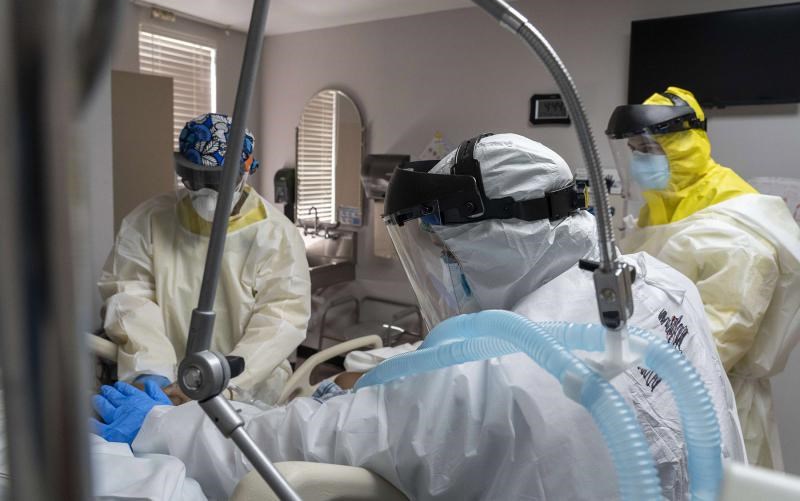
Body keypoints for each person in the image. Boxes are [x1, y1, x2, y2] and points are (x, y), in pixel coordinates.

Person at [93, 134, 744, 500]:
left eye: (446, 254)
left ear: (489, 242)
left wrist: (163, 427)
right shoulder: (657, 285)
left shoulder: (485, 376)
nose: (444, 272)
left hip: (223, 402)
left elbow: (293, 443)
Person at [606, 86, 800, 470]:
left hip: (713, 407)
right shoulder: (660, 210)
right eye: (633, 150)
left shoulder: (736, 230)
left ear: (685, 148)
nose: (639, 160)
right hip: (652, 395)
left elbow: (712, 348)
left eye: (649, 149)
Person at [99, 113, 311, 406]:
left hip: (246, 387)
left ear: (246, 170)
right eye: (195, 178)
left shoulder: (276, 235)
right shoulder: (148, 221)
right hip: (166, 381)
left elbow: (281, 319)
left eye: (218, 180)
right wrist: (154, 372)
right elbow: (130, 298)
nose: (206, 192)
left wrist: (222, 380)